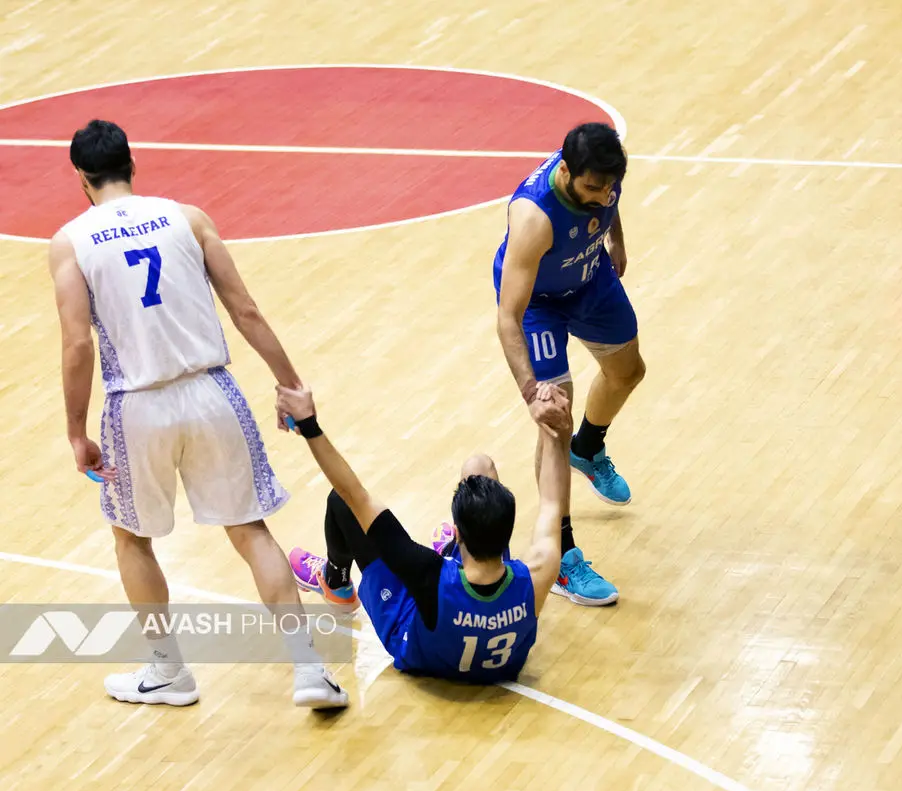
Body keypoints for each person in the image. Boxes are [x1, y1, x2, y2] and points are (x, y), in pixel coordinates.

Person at [49, 119, 348, 709]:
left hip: (135, 407)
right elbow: (246, 310)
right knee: (251, 531)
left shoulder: (71, 241)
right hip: (213, 393)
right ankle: (310, 671)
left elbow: (78, 345)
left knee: (132, 539)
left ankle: (167, 672)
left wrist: (75, 430)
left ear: (81, 177)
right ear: (133, 164)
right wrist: (290, 385)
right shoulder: (188, 217)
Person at [280, 381, 570, 683]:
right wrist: (556, 428)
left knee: (341, 502)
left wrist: (309, 426)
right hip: (498, 660)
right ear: (507, 532)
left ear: (458, 534)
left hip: (419, 648)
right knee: (479, 466)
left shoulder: (427, 575)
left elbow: (354, 494)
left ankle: (335, 581)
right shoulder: (535, 575)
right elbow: (552, 502)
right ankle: (451, 554)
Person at [492, 122, 646, 606]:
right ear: (565, 172)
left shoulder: (602, 178)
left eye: (609, 187)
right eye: (592, 188)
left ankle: (590, 447)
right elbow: (507, 318)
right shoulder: (533, 218)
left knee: (628, 372)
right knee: (555, 420)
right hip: (539, 302)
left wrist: (615, 238)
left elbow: (610, 199)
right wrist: (531, 393)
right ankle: (561, 555)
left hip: (589, 275)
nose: (603, 196)